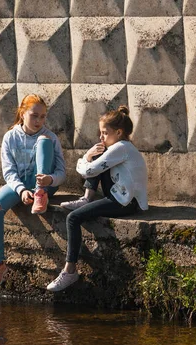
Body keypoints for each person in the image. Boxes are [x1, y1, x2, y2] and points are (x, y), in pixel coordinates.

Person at [47, 105, 148, 292]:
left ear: (118, 132)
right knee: (99, 155)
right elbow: (94, 169)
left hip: (124, 202)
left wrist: (86, 156)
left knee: (73, 218)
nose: (101, 137)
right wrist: (93, 157)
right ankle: (87, 198)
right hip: (122, 194)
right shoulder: (121, 146)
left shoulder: (120, 148)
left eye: (104, 133)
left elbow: (88, 171)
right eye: (100, 132)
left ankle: (70, 271)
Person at [0, 94, 66, 288]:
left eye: (43, 116)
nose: (39, 121)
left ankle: (40, 194)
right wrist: (21, 190)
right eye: (34, 115)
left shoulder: (50, 137)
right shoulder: (10, 137)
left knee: (44, 141)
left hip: (45, 184)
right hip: (19, 184)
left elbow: (62, 173)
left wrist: (50, 180)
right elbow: (9, 172)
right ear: (22, 114)